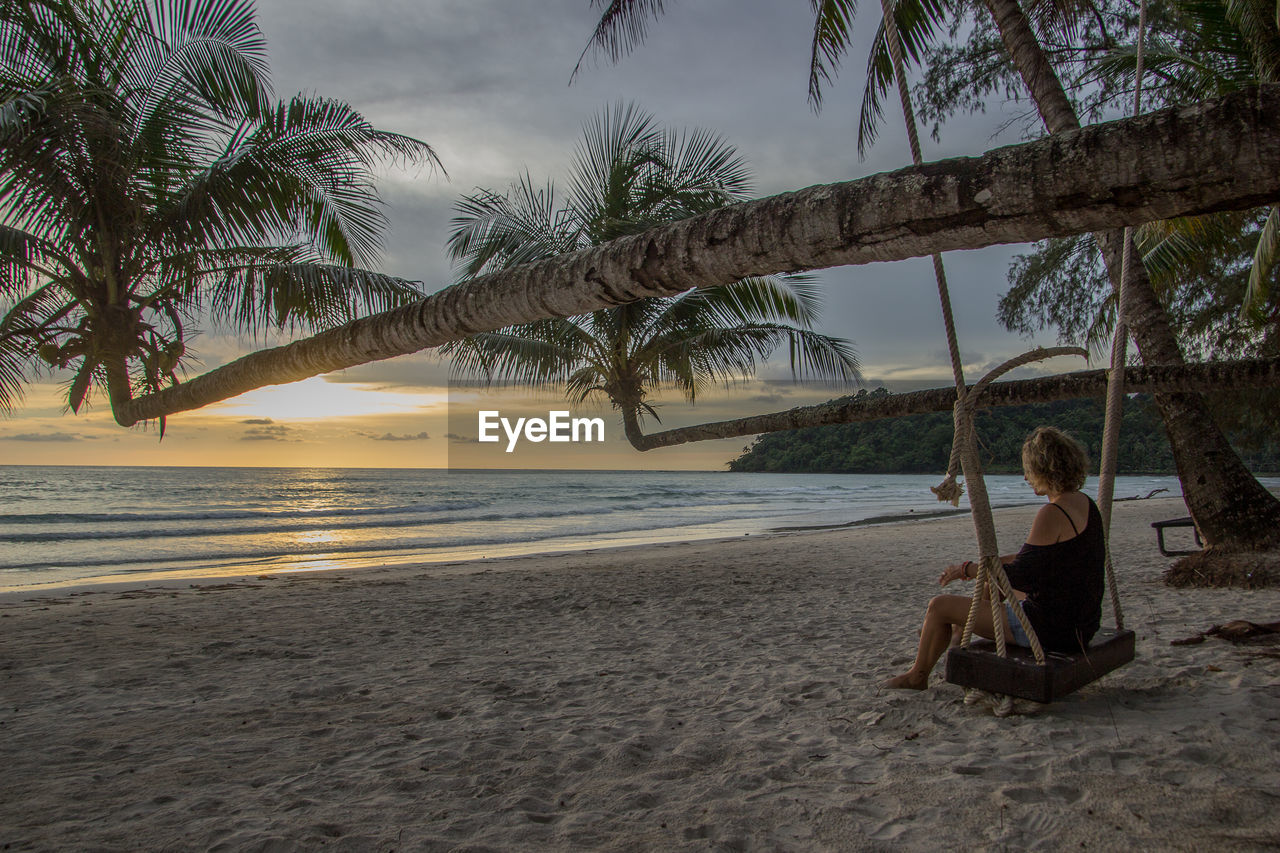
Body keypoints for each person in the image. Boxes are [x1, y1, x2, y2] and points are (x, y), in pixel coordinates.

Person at [883, 426, 1105, 690]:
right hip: (1080, 623)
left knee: (939, 606)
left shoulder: (1052, 513)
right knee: (991, 584)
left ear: (1044, 470)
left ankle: (917, 676)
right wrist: (983, 566)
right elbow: (1035, 560)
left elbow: (1018, 575)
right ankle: (959, 631)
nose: (1026, 478)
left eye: (1028, 471)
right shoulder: (1084, 503)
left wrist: (968, 569)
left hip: (1051, 630)